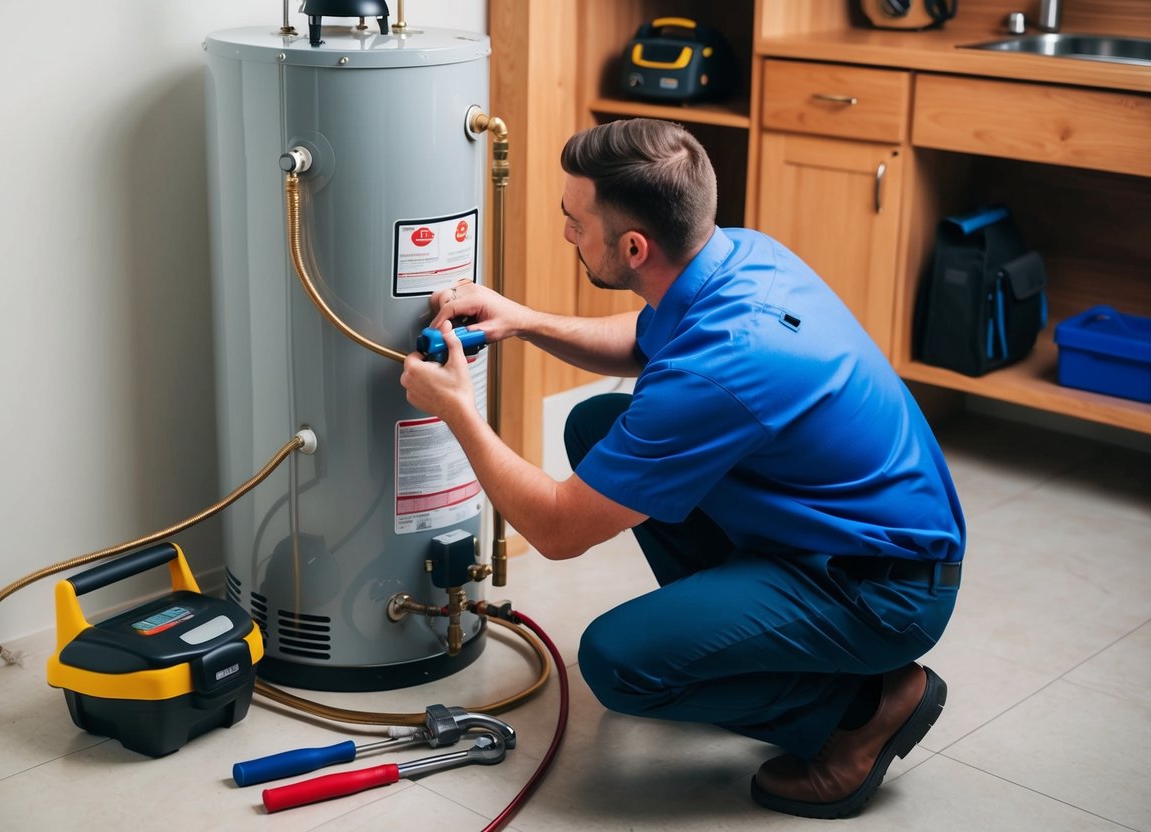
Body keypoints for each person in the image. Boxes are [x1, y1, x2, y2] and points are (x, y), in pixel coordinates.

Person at [400, 118, 964, 819]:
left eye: (574, 223)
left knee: (617, 664)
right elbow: (644, 339)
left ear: (634, 247)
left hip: (880, 590)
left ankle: (861, 709)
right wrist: (525, 321)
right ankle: (733, 644)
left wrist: (456, 411)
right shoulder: (740, 256)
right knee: (596, 424)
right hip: (835, 533)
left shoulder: (726, 365)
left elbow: (557, 529)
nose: (568, 234)